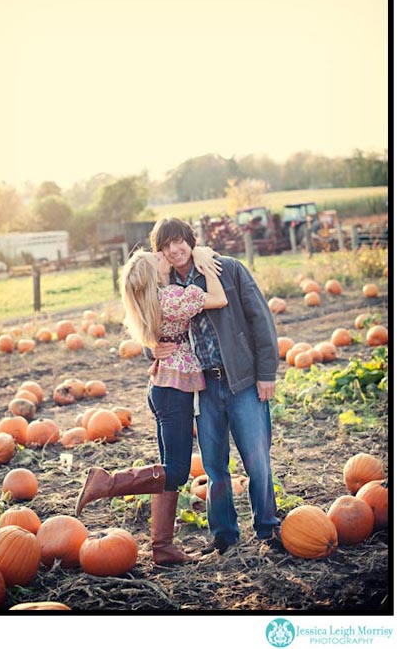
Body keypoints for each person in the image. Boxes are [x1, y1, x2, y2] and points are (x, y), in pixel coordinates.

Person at [75, 245, 227, 566]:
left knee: (167, 470)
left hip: (161, 387)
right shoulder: (169, 297)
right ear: (152, 274)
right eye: (156, 258)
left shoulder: (147, 303)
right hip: (173, 391)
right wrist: (208, 267)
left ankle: (162, 547)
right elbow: (218, 299)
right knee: (177, 471)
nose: (163, 257)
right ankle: (107, 482)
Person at [149, 217, 280, 556]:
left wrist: (267, 373)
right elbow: (151, 327)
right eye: (166, 245)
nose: (174, 249)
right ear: (160, 252)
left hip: (243, 381)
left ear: (190, 241)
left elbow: (261, 320)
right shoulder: (162, 287)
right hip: (202, 386)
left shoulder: (227, 269)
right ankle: (224, 534)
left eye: (179, 241)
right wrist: (152, 347)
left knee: (256, 459)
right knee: (214, 466)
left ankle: (267, 526)